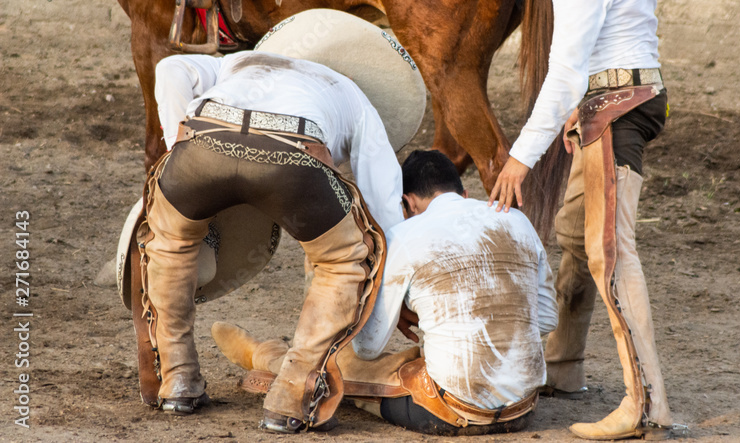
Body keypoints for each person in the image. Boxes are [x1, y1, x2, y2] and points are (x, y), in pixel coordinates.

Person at [485, 0, 683, 440]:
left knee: (610, 254)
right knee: (578, 232)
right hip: (629, 93)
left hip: (612, 106)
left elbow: (567, 67)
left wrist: (520, 156)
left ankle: (644, 405)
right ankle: (565, 364)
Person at [137, 50, 404, 433]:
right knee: (344, 260)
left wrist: (176, 140)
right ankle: (290, 397)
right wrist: (394, 302)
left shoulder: (239, 59)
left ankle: (178, 379)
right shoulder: (352, 94)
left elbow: (168, 67)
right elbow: (384, 204)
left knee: (171, 242)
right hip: (292, 154)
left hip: (202, 144)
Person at [212, 149, 558, 435]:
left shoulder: (406, 234)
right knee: (415, 359)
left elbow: (367, 346)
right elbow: (545, 320)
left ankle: (266, 355)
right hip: (524, 407)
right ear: (463, 193)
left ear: (407, 202)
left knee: (345, 366)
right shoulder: (516, 220)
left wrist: (399, 313)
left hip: (451, 411)